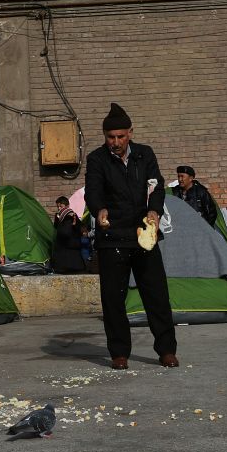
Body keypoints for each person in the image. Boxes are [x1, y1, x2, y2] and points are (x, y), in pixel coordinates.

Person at [85, 102, 178, 370]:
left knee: (156, 295)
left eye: (121, 136)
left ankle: (166, 350)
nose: (115, 142)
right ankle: (119, 352)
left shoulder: (145, 155)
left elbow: (157, 187)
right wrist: (99, 210)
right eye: (110, 137)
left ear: (130, 133)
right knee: (113, 299)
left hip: (143, 235)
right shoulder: (97, 159)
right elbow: (93, 191)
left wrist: (154, 211)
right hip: (112, 237)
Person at [52, 196, 86, 273]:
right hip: (68, 247)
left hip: (69, 246)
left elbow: (65, 232)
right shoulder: (61, 216)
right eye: (58, 207)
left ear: (67, 206)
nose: (59, 208)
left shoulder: (69, 216)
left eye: (61, 206)